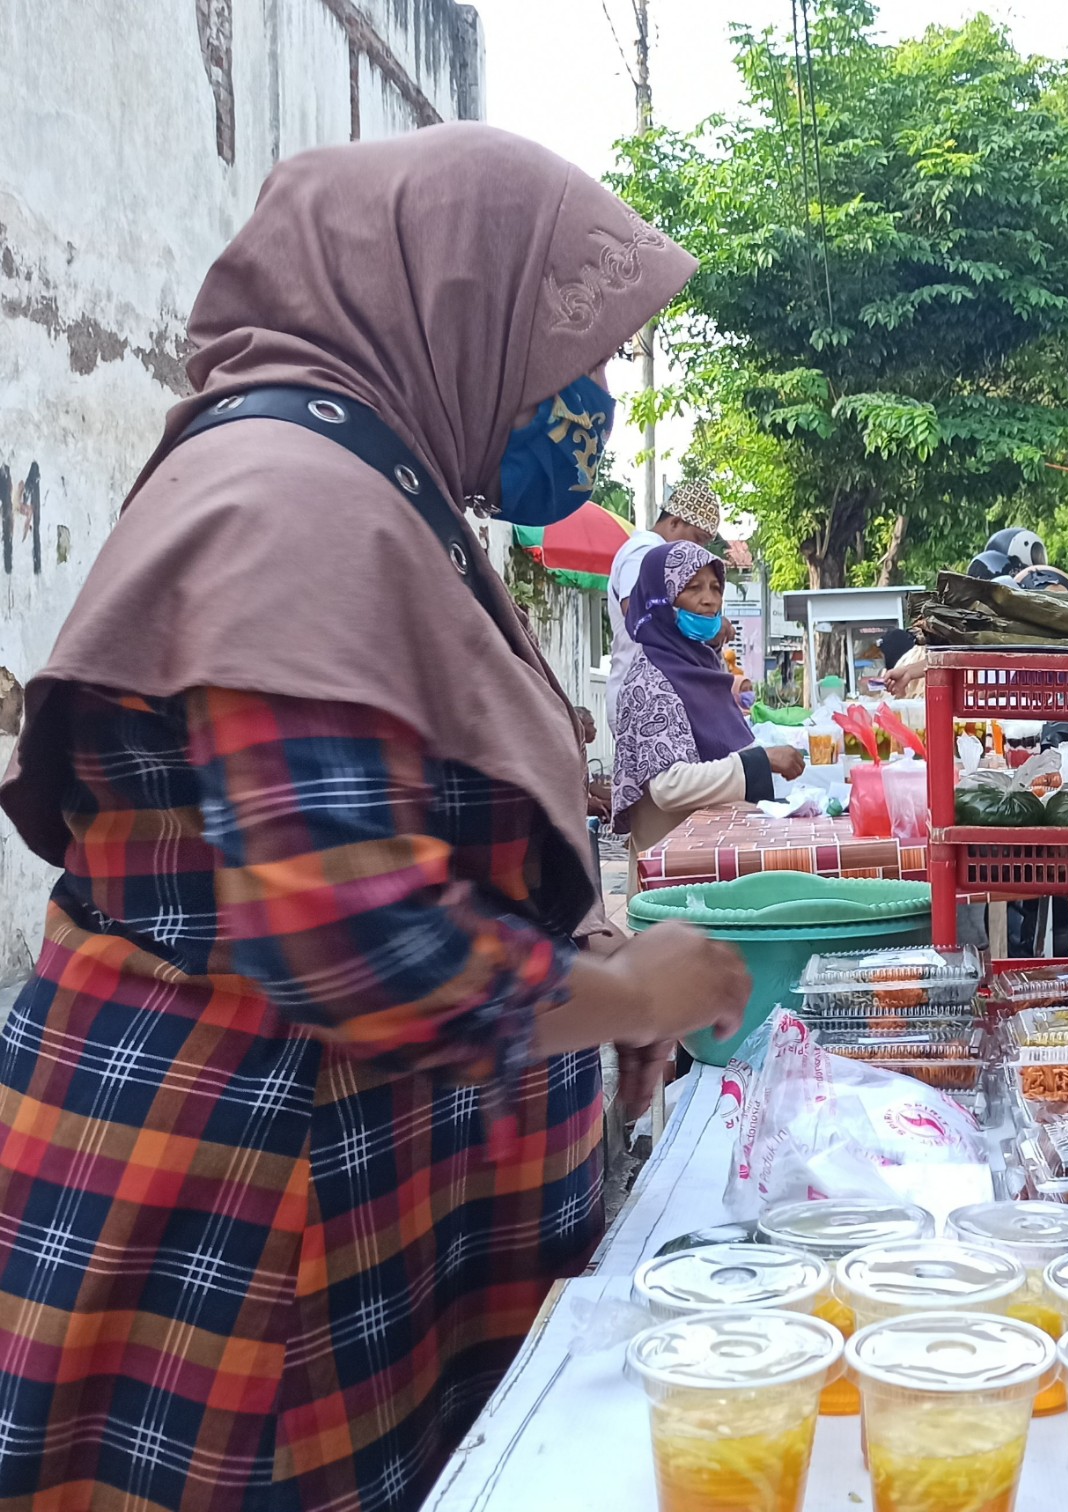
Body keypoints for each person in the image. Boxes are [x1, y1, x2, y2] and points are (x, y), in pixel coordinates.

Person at [0, 126, 750, 1512]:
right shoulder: (292, 502)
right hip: (247, 1232)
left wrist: (592, 974)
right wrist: (621, 987)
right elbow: (346, 928)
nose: (582, 397)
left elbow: (438, 818)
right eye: (563, 351)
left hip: (340, 1203)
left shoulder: (378, 489)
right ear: (455, 302)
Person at [611, 540, 803, 855]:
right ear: (660, 598)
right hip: (674, 868)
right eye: (693, 588)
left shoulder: (699, 666)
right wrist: (760, 761)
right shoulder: (652, 678)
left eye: (715, 588)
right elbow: (669, 787)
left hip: (711, 851)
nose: (709, 601)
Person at [606, 477, 719, 729]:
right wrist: (694, 621)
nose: (699, 550)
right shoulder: (643, 552)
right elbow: (636, 613)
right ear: (675, 522)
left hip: (661, 693)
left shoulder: (661, 559)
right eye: (698, 540)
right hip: (640, 697)